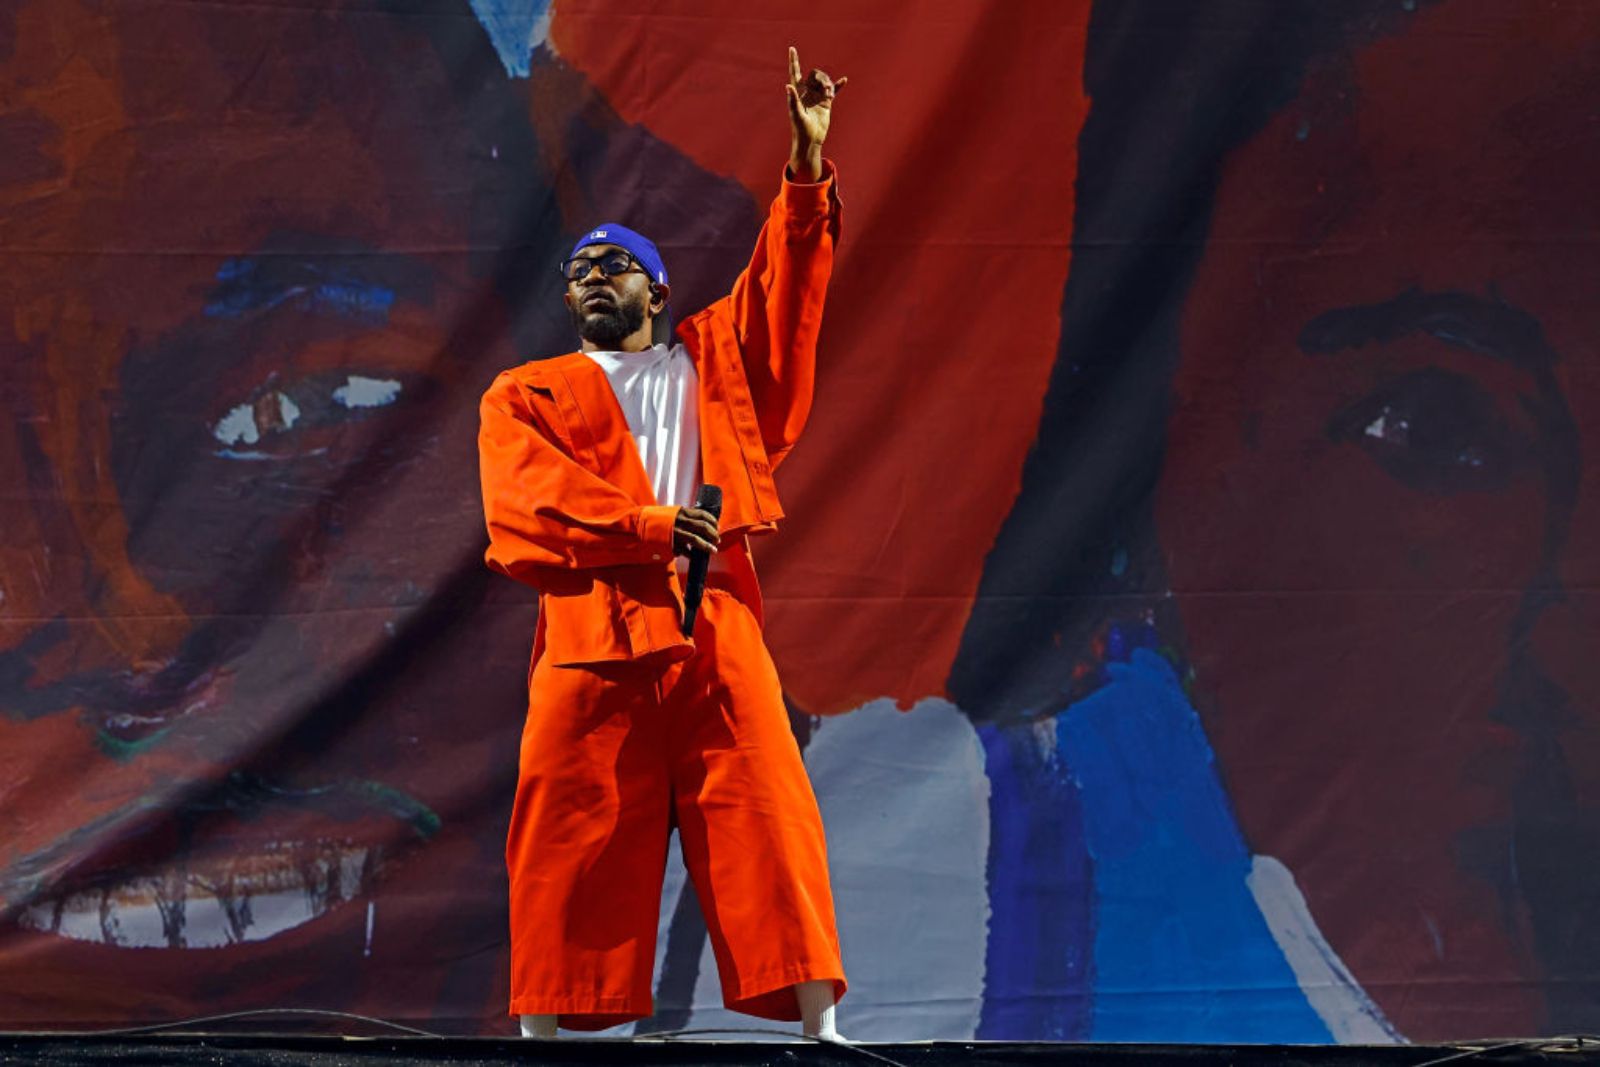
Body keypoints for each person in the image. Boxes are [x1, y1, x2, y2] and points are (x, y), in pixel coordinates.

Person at [476, 48, 850, 1038]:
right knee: (566, 824)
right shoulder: (529, 392)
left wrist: (805, 171)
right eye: (577, 273)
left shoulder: (714, 360)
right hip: (592, 635)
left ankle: (819, 1025)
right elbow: (529, 501)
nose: (591, 283)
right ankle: (543, 1031)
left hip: (714, 620)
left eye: (612, 268)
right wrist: (647, 523)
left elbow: (787, 291)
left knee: (766, 811)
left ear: (657, 286)